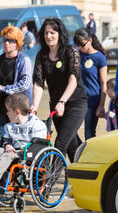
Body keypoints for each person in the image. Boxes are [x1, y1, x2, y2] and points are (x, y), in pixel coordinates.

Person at [31, 18, 87, 162]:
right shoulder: (42, 56)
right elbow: (38, 83)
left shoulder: (71, 51)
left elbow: (73, 79)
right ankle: (85, 172)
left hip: (75, 104)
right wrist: (34, 107)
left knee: (60, 143)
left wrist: (62, 101)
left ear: (60, 33)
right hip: (55, 105)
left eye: (52, 32)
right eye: (46, 33)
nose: (49, 36)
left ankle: (49, 182)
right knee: (71, 145)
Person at [0, 93, 47, 185]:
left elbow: (39, 143)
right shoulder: (9, 126)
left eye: (9, 111)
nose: (7, 113)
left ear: (17, 112)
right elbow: (6, 139)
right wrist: (8, 145)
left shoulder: (37, 125)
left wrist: (25, 150)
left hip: (28, 154)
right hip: (13, 152)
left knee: (7, 155)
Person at [73, 28, 107, 139]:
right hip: (78, 100)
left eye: (82, 44)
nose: (79, 47)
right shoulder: (78, 55)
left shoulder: (100, 58)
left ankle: (90, 155)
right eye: (77, 45)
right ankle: (79, 152)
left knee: (89, 134)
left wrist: (101, 105)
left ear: (90, 40)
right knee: (71, 132)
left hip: (92, 102)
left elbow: (103, 83)